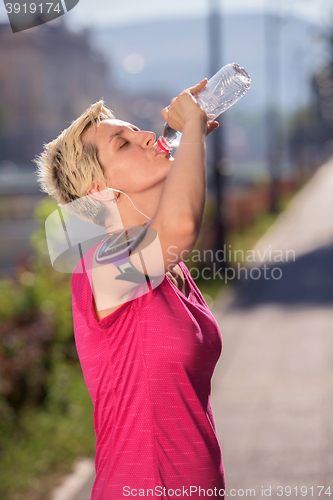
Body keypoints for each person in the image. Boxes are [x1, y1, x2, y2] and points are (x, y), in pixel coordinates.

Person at [35, 79, 226, 499]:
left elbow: (175, 222)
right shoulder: (100, 264)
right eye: (123, 144)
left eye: (133, 130)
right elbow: (181, 226)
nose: (145, 135)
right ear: (97, 190)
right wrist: (190, 134)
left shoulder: (168, 270)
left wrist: (192, 138)